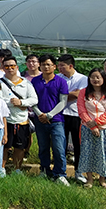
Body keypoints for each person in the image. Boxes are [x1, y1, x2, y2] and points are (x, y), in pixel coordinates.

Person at [31, 54, 70, 185]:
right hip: (39, 119)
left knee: (59, 148)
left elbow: (63, 101)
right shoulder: (35, 81)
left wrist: (49, 115)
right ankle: (44, 170)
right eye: (43, 64)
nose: (45, 67)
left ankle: (60, 174)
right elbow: (32, 100)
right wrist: (39, 114)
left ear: (54, 66)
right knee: (43, 147)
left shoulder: (61, 81)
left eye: (48, 64)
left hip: (56, 120)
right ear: (39, 66)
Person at [0, 56, 38, 174]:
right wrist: (12, 102)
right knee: (5, 145)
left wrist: (22, 102)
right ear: (3, 68)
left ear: (17, 67)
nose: (10, 69)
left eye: (12, 66)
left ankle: (17, 169)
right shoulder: (0, 83)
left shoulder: (25, 83)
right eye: (7, 66)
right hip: (6, 119)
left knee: (20, 147)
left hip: (22, 119)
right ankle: (2, 169)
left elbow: (34, 99)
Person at [57, 54, 88, 183]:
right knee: (60, 144)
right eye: (58, 66)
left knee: (78, 144)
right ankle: (60, 172)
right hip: (60, 114)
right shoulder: (57, 78)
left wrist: (63, 94)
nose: (59, 69)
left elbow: (79, 95)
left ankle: (79, 172)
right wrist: (70, 94)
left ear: (70, 66)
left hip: (76, 115)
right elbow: (55, 94)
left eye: (62, 66)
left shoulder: (83, 79)